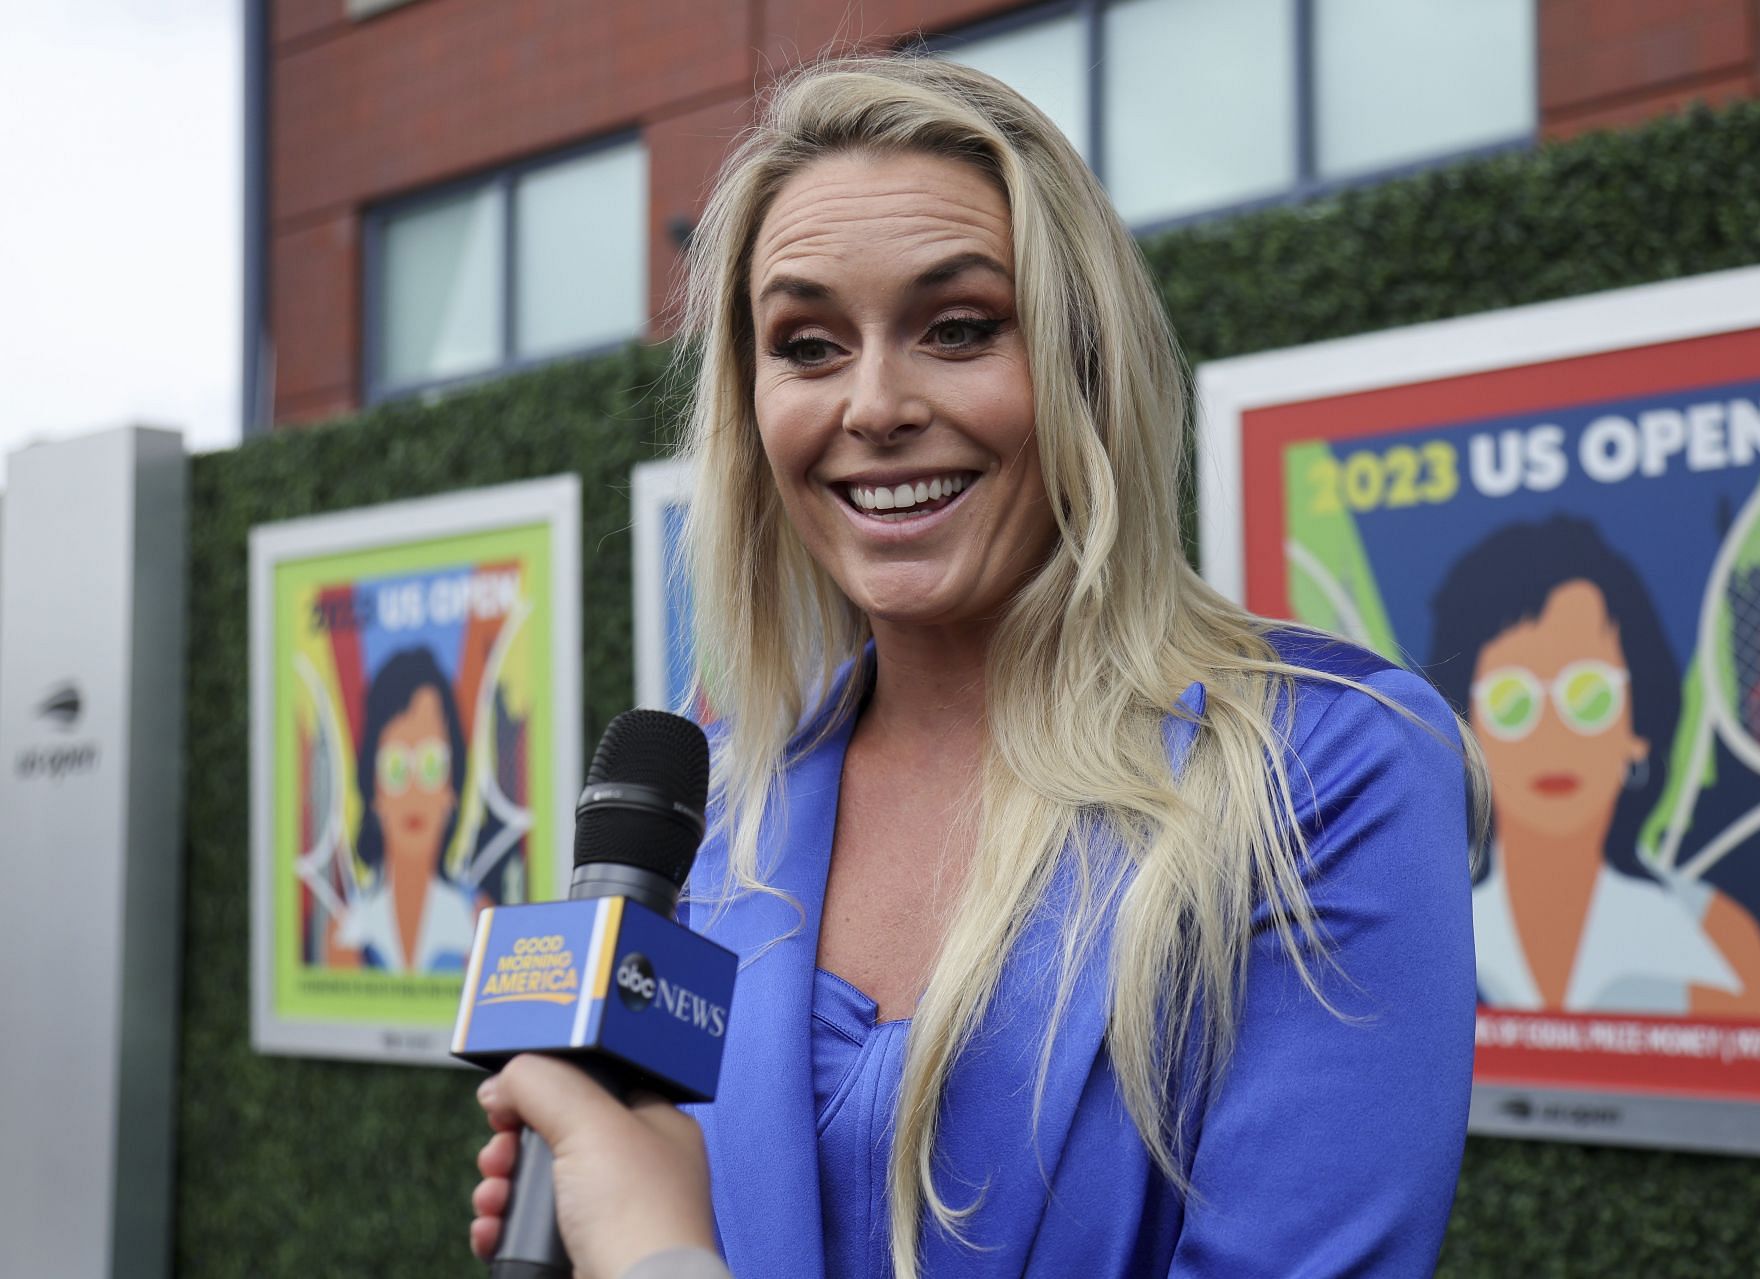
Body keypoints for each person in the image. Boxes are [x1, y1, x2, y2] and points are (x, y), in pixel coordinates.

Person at [472, 55, 1478, 1279]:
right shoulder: (723, 809)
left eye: (958, 329)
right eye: (807, 344)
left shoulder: (1324, 767)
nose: (876, 403)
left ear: (1085, 368)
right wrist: (606, 1188)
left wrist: (655, 1252)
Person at [1428, 515, 1760, 1016]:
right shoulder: (1423, 936)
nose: (1551, 733)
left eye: (1587, 696)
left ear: (1638, 728)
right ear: (1466, 729)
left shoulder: (1718, 944)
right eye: (1512, 701)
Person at [329, 645, 479, 973]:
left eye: (430, 764)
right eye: (396, 766)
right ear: (374, 790)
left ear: (452, 787)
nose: (413, 789)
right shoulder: (343, 938)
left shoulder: (483, 926)